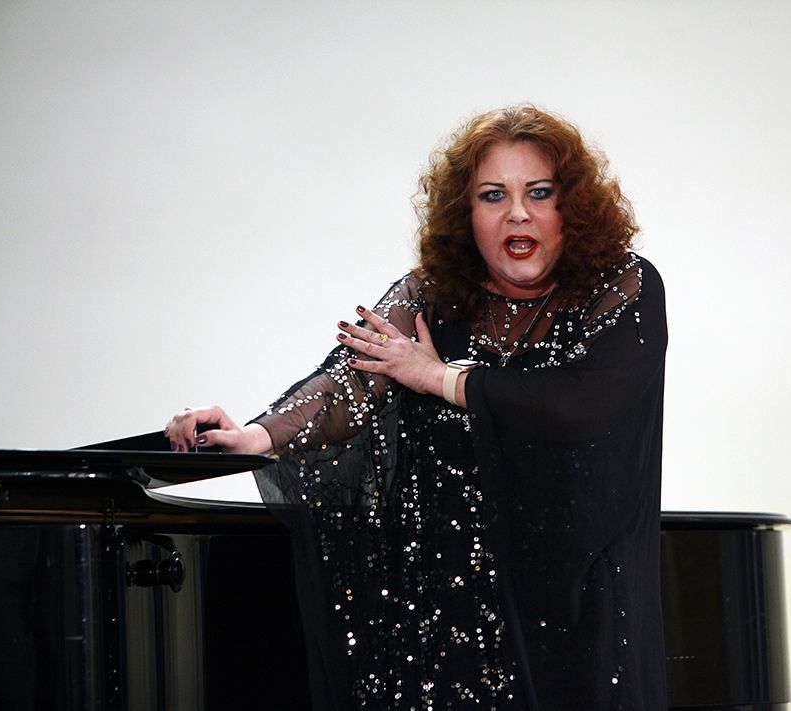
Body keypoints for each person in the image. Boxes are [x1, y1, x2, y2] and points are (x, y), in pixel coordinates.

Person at [165, 105, 668, 710]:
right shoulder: (430, 293)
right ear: (466, 213)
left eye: (539, 192)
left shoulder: (624, 286)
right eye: (492, 196)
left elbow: (576, 406)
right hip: (447, 620)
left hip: (577, 613)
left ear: (573, 206)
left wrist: (438, 377)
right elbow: (347, 386)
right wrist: (258, 436)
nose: (517, 213)